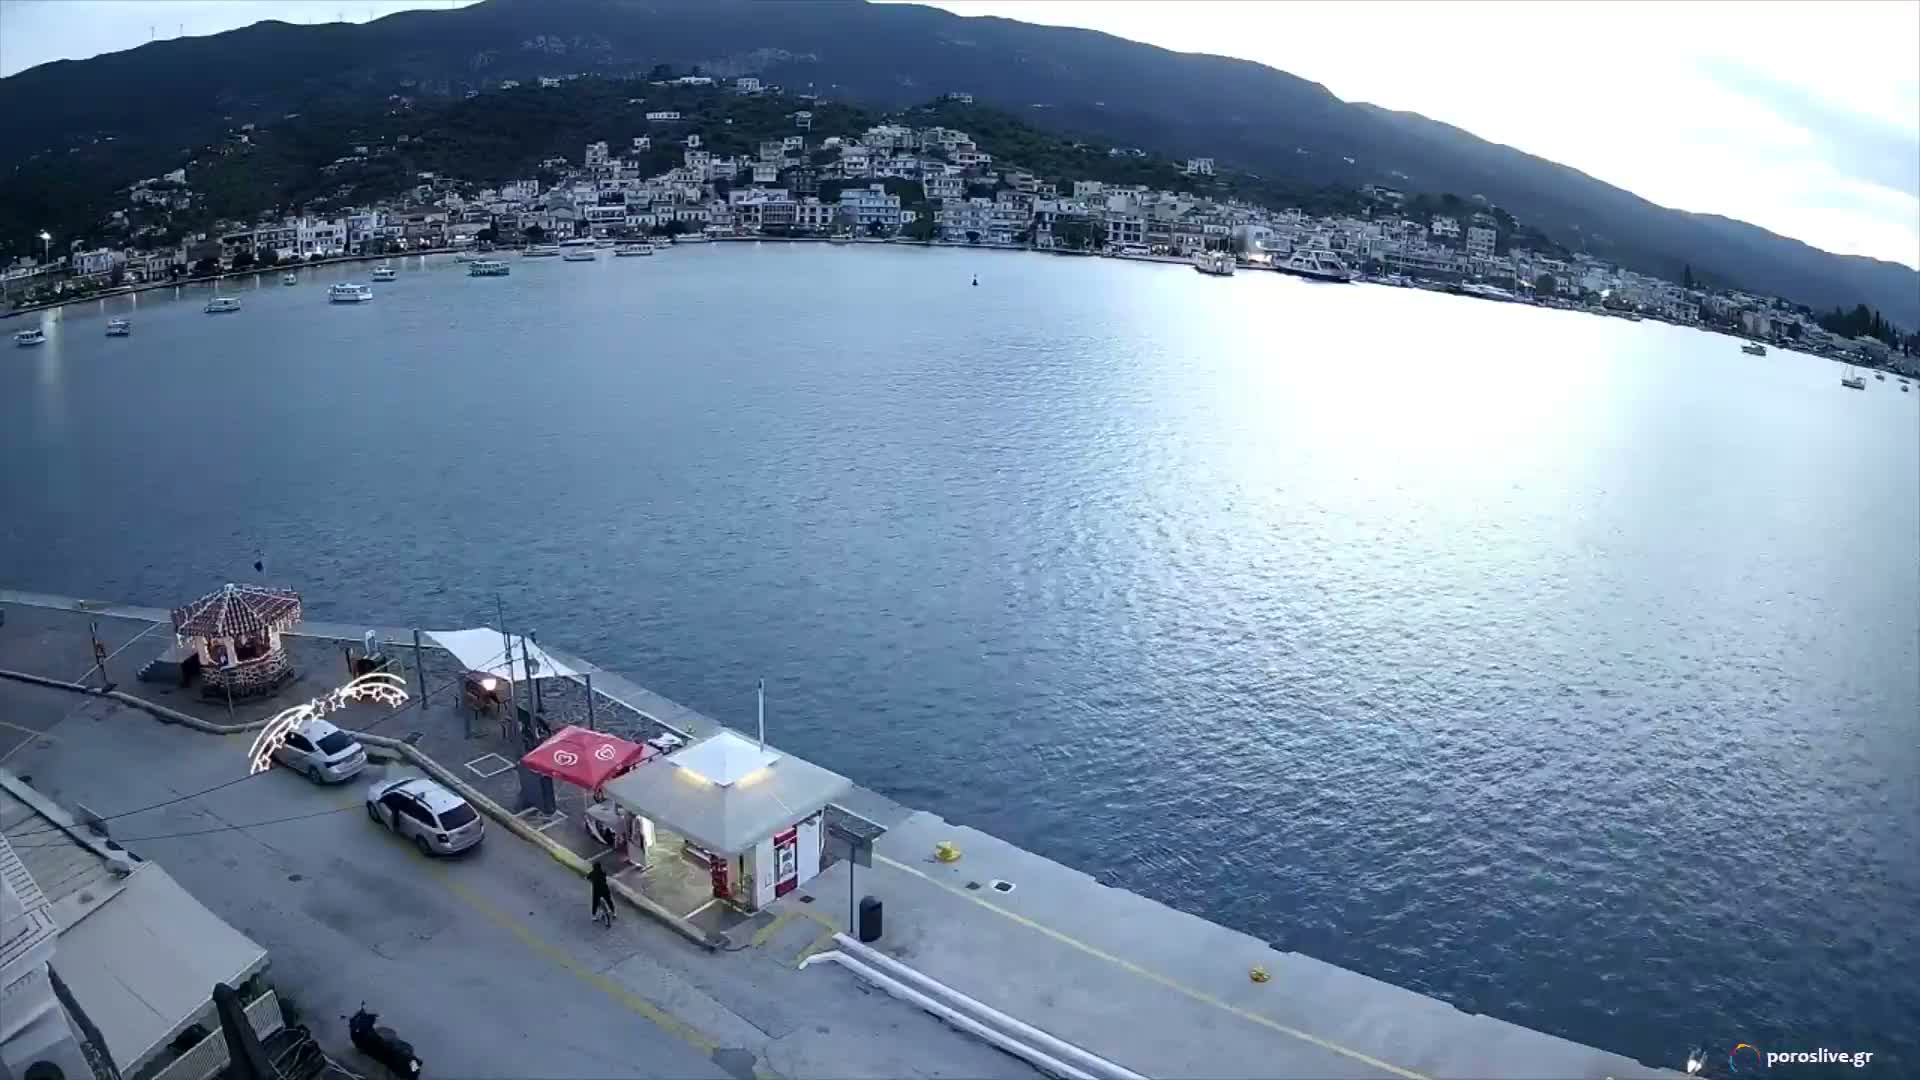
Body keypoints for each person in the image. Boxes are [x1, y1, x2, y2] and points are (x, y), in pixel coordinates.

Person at [589, 860, 615, 925]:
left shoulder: (592, 873)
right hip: (604, 889)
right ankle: (613, 912)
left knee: (595, 902)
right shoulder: (603, 872)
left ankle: (594, 916)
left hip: (596, 891)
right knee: (609, 900)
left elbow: (587, 877)